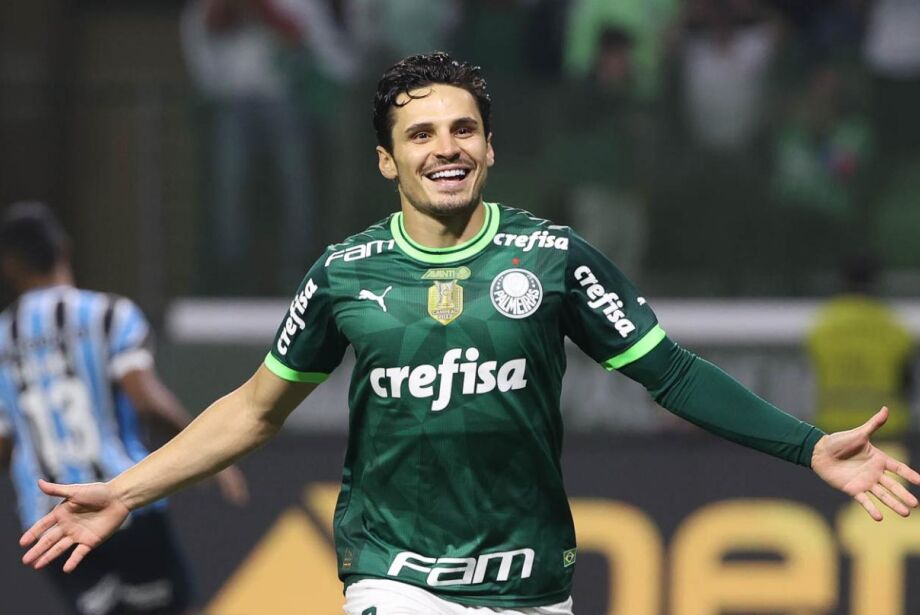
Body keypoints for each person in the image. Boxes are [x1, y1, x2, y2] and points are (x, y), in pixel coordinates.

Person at [19, 53, 920, 615]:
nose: (444, 146)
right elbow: (255, 411)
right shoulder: (344, 274)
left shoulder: (555, 259)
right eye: (420, 134)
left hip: (533, 584)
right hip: (394, 577)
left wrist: (808, 447)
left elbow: (673, 374)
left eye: (463, 129)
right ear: (388, 160)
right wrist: (127, 490)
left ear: (490, 148)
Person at [0, 202, 249, 615]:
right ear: (64, 249)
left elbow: (5, 445)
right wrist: (208, 454)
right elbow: (146, 400)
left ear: (10, 267)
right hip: (123, 497)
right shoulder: (108, 315)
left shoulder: (4, 339)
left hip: (50, 520)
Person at [807, 254, 915, 437]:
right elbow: (907, 384)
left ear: (842, 280)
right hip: (885, 427)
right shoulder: (894, 326)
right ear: (877, 280)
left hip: (834, 429)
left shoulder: (822, 326)